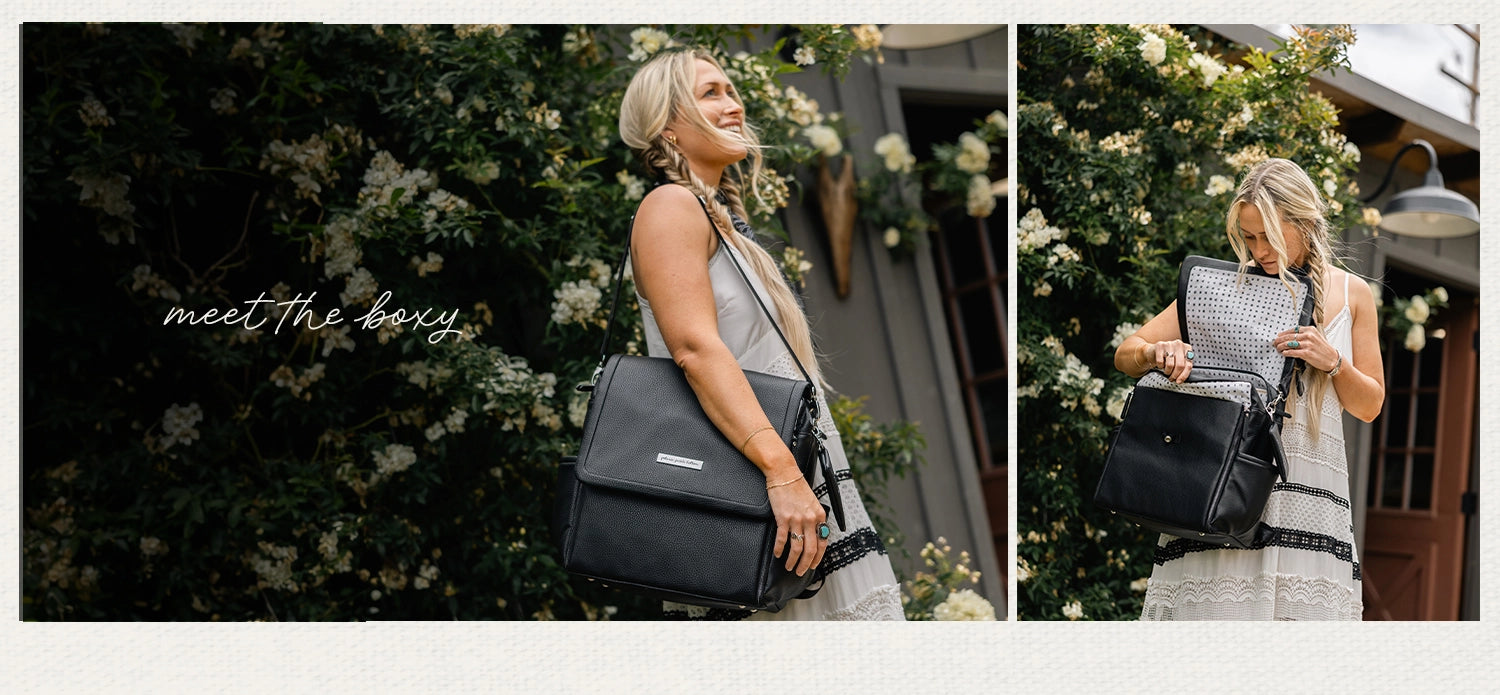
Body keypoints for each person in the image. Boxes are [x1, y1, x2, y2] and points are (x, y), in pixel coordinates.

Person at [616, 47, 905, 620]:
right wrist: (781, 473)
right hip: (749, 484)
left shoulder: (722, 217)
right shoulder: (669, 207)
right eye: (711, 93)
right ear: (667, 127)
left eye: (731, 90)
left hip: (792, 478)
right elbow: (695, 350)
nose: (734, 103)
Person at [1113, 158, 1385, 620]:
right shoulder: (1221, 286)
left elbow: (1370, 405)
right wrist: (1159, 354)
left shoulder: (1352, 294)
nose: (1259, 250)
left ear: (1304, 222)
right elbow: (1127, 351)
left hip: (1309, 495)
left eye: (1270, 236)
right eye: (1250, 236)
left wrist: (1332, 361)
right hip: (1223, 482)